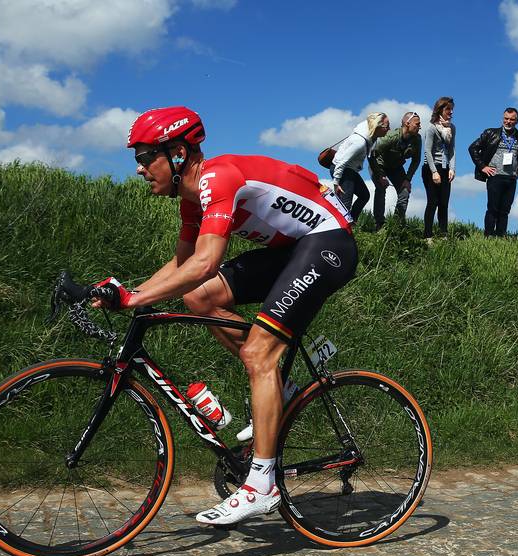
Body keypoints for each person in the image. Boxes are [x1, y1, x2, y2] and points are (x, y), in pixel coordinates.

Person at [100, 107, 358, 525]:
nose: (140, 169)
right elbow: (185, 266)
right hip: (292, 251)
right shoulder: (191, 202)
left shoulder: (217, 178)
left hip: (328, 244)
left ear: (179, 153)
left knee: (259, 353)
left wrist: (133, 301)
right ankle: (279, 382)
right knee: (199, 298)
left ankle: (261, 485)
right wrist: (132, 294)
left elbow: (205, 262)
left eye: (147, 158)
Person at [469, 107, 518, 237]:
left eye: (512, 119)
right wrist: (483, 167)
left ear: (516, 121)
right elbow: (473, 148)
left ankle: (501, 236)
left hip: (511, 178)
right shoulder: (491, 133)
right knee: (493, 208)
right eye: (506, 119)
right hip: (495, 176)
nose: (508, 122)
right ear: (502, 119)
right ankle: (489, 236)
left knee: (505, 210)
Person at [332, 112, 389, 225]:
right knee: (345, 203)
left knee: (364, 195)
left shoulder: (372, 138)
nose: (389, 129)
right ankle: (343, 229)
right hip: (342, 170)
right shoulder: (360, 142)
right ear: (378, 127)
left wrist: (380, 176)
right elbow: (342, 161)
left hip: (351, 170)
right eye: (387, 126)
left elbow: (371, 158)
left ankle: (351, 223)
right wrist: (336, 182)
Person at [368, 112, 422, 229]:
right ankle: (379, 224)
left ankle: (396, 225)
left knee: (405, 191)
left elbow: (416, 160)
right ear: (407, 123)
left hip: (396, 167)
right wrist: (380, 175)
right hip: (379, 164)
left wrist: (408, 179)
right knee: (381, 188)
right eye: (417, 124)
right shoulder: (390, 137)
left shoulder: (417, 139)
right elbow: (372, 154)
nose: (420, 127)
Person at [421, 97, 456, 239]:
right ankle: (427, 235)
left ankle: (443, 234)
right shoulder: (432, 128)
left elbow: (452, 149)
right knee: (433, 201)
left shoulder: (452, 128)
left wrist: (452, 168)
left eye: (452, 109)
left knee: (444, 203)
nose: (451, 112)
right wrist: (434, 172)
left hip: (445, 168)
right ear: (440, 110)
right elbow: (427, 151)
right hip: (431, 168)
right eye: (448, 109)